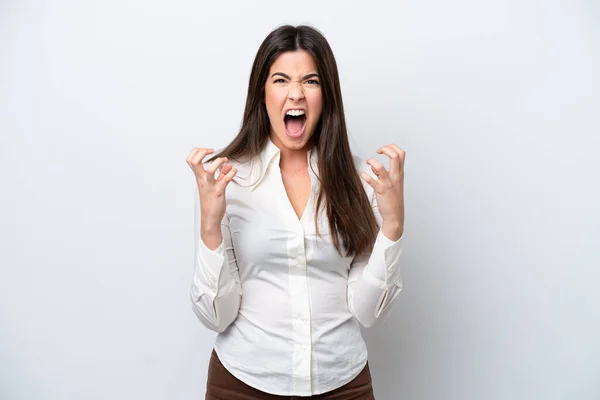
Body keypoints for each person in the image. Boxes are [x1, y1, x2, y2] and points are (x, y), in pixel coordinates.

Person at [186, 24, 406, 400]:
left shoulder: (361, 181)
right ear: (262, 93)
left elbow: (368, 312)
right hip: (243, 382)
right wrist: (210, 224)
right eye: (281, 79)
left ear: (327, 95)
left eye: (311, 81)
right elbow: (217, 316)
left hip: (342, 383)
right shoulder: (227, 181)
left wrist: (393, 225)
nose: (296, 93)